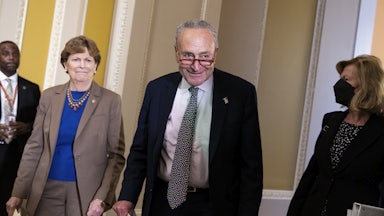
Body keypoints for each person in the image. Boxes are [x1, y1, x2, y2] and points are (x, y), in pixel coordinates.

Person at [112, 19, 263, 216]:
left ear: (215, 53)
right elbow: (141, 150)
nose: (196, 66)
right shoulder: (157, 90)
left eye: (205, 57)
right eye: (187, 56)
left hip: (214, 206)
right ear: (176, 52)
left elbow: (251, 167)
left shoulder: (240, 94)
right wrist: (127, 196)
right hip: (162, 203)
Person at [6, 35, 126, 216]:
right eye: (76, 59)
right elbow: (34, 147)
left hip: (87, 194)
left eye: (88, 60)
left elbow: (116, 156)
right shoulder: (49, 97)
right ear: (65, 64)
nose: (82, 65)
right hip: (46, 189)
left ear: (95, 66)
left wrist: (102, 197)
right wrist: (18, 192)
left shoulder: (111, 101)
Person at [287, 55, 384, 216]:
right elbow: (313, 173)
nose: (338, 85)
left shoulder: (380, 130)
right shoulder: (331, 120)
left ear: (366, 85)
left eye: (345, 79)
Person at [0, 41, 40, 216]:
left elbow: (41, 122)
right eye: (5, 53)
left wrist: (28, 127)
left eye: (15, 53)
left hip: (17, 155)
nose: (11, 57)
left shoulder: (31, 88)